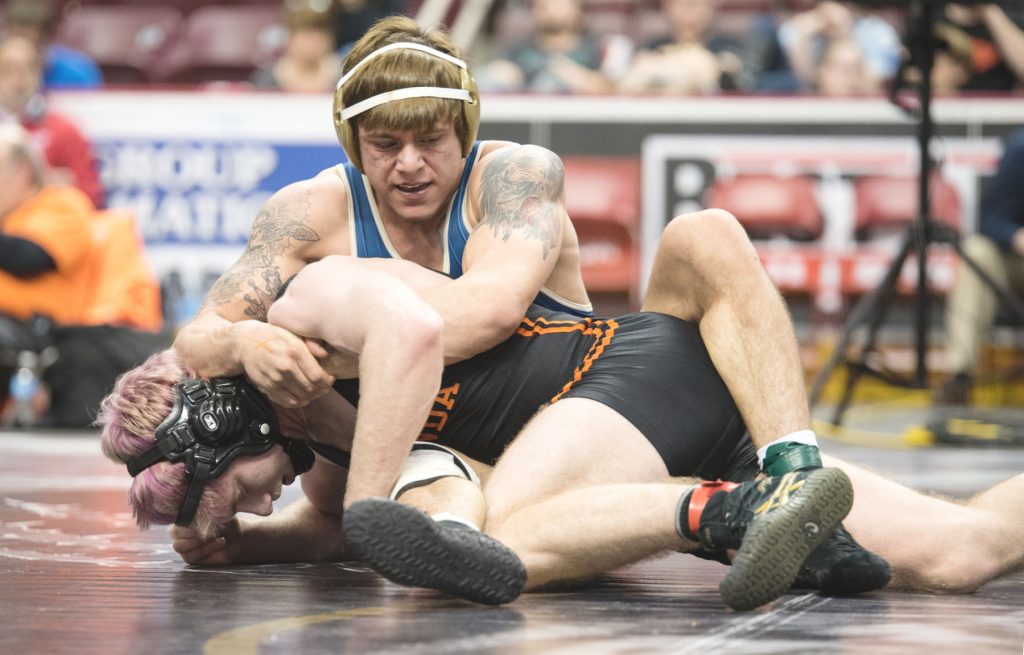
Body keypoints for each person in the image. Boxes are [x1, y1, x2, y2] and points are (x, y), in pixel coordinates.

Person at [99, 255, 1024, 609]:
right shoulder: (326, 457)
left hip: (622, 377)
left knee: (495, 530)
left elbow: (410, 334)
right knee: (961, 552)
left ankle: (733, 511)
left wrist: (375, 488)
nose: (262, 499)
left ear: (225, 423)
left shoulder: (309, 308)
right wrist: (237, 541)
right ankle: (767, 501)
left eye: (237, 489)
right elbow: (347, 527)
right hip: (649, 426)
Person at [174, 14, 819, 501]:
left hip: (591, 410)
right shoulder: (310, 210)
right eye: (385, 145)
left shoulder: (513, 175)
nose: (408, 165)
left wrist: (329, 349)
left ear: (465, 133)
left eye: (430, 141)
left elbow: (489, 312)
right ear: (351, 143)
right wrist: (244, 344)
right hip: (471, 462)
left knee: (705, 233)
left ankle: (793, 467)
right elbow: (196, 340)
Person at [935, 129, 1024, 405]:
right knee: (977, 252)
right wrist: (1015, 236)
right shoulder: (1021, 149)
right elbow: (989, 219)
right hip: (1017, 262)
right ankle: (959, 376)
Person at [0, 33, 105, 207]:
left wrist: (54, 188)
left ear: (39, 74)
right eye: (8, 70)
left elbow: (90, 194)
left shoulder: (64, 131)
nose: (18, 80)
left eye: (26, 69)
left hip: (42, 219)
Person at [475, 0, 613, 94]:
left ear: (579, 12)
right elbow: (498, 73)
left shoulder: (593, 51)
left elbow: (612, 86)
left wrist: (582, 79)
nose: (549, 5)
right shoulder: (518, 50)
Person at [777, 1, 901, 95]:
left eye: (855, 69)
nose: (850, 78)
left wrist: (846, 31)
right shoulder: (805, 28)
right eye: (843, 70)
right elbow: (806, 77)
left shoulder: (877, 31)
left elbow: (876, 82)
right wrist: (810, 27)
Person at [3, 0, 103, 90]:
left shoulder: (78, 71)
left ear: (47, 36)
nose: (25, 50)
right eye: (19, 39)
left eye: (32, 41)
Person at [250, 1, 344, 93]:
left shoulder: (345, 79)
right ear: (289, 37)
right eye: (305, 33)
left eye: (319, 31)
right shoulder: (265, 81)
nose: (312, 42)